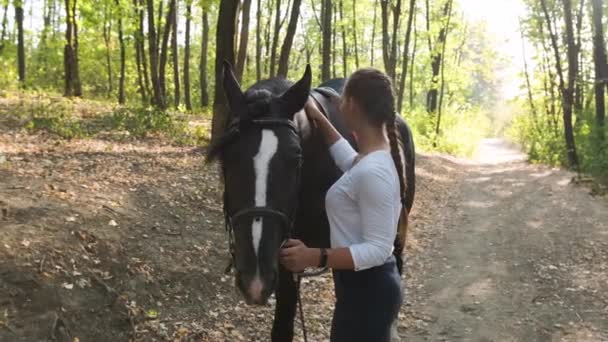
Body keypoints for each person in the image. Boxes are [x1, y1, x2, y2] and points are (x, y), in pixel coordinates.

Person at [279, 68, 409, 342]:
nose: (338, 104)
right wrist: (317, 116)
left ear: (353, 105)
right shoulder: (372, 158)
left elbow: (377, 250)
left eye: (342, 98)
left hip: (368, 294)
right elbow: (350, 163)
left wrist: (314, 256)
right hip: (361, 291)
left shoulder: (375, 171)